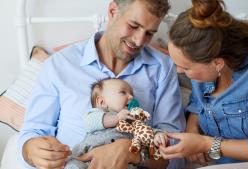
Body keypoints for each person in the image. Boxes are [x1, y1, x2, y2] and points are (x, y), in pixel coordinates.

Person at [18, 0, 186, 169]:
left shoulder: (162, 68)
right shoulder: (59, 64)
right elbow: (33, 132)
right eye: (133, 26)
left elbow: (175, 149)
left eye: (149, 33)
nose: (139, 40)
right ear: (113, 11)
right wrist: (31, 150)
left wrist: (131, 152)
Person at [159, 0, 248, 168]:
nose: (179, 71)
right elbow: (198, 105)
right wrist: (192, 129)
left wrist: (206, 144)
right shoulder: (204, 66)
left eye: (185, 67)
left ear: (217, 63)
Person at [65, 78, 167, 169]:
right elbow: (90, 123)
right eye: (123, 92)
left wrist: (157, 135)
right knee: (73, 165)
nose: (131, 96)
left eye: (132, 94)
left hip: (124, 162)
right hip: (88, 158)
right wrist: (117, 118)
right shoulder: (96, 113)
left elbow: (145, 131)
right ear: (101, 102)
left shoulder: (134, 120)